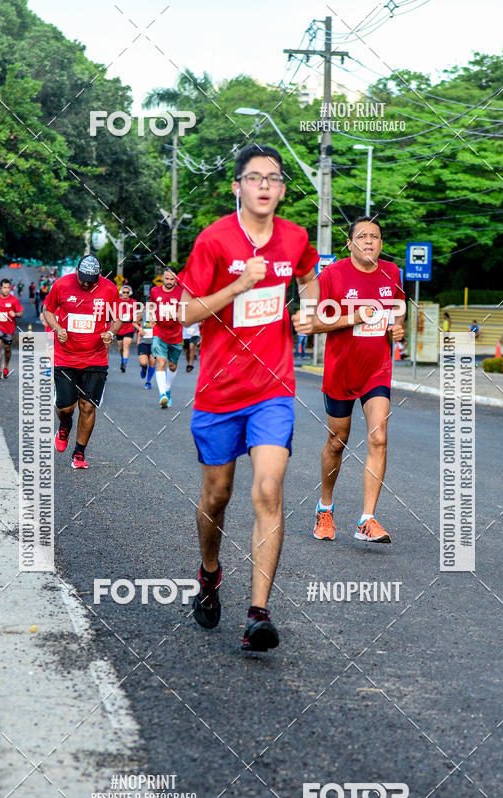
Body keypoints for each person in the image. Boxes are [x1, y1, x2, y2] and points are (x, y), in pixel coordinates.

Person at [178, 143, 318, 652]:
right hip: (218, 390)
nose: (265, 185)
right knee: (217, 496)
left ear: (281, 189)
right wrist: (238, 286)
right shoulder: (214, 240)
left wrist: (310, 311)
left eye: (274, 178)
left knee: (268, 490)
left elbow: (308, 275)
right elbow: (186, 313)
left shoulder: (295, 237)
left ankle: (258, 612)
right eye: (254, 177)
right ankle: (209, 572)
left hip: (272, 389)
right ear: (237, 186)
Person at [292, 216, 405, 545]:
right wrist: (354, 316)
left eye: (375, 236)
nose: (369, 241)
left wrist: (397, 328)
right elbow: (312, 323)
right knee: (337, 442)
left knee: (379, 437)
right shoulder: (332, 275)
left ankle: (366, 519)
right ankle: (324, 508)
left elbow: (397, 310)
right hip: (341, 371)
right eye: (362, 236)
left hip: (376, 369)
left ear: (382, 244)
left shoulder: (392, 273)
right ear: (350, 244)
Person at [43, 255, 122, 470]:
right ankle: (65, 424)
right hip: (66, 357)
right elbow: (48, 310)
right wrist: (57, 328)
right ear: (77, 271)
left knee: (87, 406)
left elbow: (118, 318)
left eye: (91, 279)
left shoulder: (109, 289)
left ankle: (79, 453)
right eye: (83, 278)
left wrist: (111, 333)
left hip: (95, 358)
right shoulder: (61, 284)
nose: (86, 283)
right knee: (65, 407)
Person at [150, 268, 183, 408]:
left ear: (176, 279)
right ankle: (162, 394)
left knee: (172, 365)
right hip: (159, 331)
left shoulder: (181, 293)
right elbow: (151, 306)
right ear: (162, 278)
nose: (169, 282)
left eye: (172, 279)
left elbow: (185, 312)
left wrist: (173, 315)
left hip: (176, 333)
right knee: (161, 362)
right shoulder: (155, 291)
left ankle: (168, 389)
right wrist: (151, 316)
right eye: (167, 278)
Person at [135, 298, 156, 387]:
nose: (149, 308)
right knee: (143, 362)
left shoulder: (158, 316)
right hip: (143, 341)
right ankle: (144, 369)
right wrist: (139, 328)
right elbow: (134, 322)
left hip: (155, 341)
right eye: (148, 306)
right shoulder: (142, 314)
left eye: (151, 306)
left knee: (152, 362)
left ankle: (148, 381)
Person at [115, 284, 137, 372]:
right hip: (119, 326)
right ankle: (122, 358)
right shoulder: (117, 301)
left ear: (130, 293)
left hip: (129, 326)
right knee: (120, 347)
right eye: (124, 292)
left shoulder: (134, 302)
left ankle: (124, 364)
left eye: (127, 292)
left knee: (126, 345)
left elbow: (136, 314)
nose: (125, 294)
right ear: (121, 293)